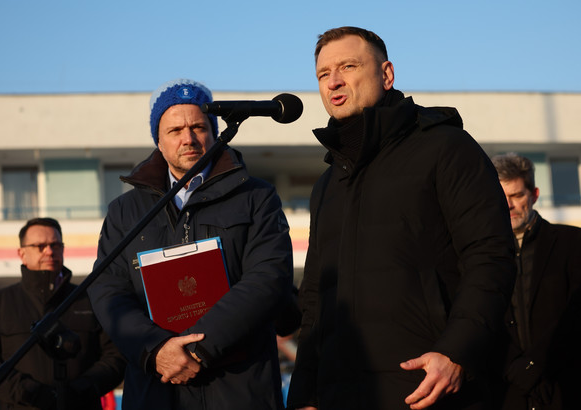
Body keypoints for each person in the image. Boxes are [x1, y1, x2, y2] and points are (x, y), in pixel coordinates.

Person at [286, 26, 517, 410]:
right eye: (324, 74)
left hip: (428, 387)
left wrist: (457, 353)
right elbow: (315, 297)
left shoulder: (446, 147)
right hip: (340, 393)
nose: (334, 81)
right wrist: (304, 394)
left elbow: (490, 256)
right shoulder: (327, 184)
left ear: (387, 74)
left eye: (348, 66)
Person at [87, 78, 294, 409]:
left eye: (198, 127)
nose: (188, 138)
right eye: (175, 130)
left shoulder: (256, 196)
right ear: (158, 139)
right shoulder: (124, 211)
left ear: (213, 131)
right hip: (157, 389)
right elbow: (107, 292)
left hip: (240, 388)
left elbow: (268, 279)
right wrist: (155, 350)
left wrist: (198, 348)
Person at [0, 217, 126, 410]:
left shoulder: (90, 298)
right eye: (40, 246)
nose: (49, 251)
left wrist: (81, 389)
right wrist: (29, 391)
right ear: (22, 253)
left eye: (55, 245)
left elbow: (115, 356)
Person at [491, 153, 581, 410]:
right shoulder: (475, 256)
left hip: (564, 387)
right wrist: (515, 366)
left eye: (517, 195)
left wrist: (536, 365)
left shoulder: (573, 243)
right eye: (501, 197)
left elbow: (576, 312)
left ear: (535, 194)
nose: (508, 205)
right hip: (506, 393)